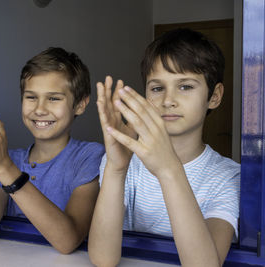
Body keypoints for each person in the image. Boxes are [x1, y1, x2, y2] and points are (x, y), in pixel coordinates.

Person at [88, 28, 240, 266]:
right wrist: (116, 168)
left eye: (186, 86)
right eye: (157, 88)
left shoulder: (228, 177)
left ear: (215, 96)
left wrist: (169, 169)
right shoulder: (124, 161)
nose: (168, 100)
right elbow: (102, 259)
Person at [0, 47, 104, 254]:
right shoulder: (13, 159)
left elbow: (68, 241)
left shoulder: (90, 156)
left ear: (80, 104)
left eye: (54, 98)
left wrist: (5, 169)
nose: (40, 109)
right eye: (31, 97)